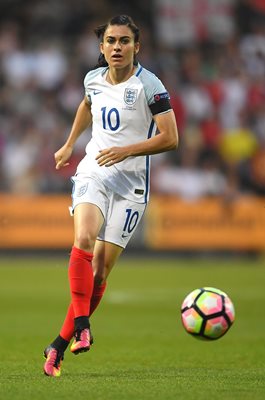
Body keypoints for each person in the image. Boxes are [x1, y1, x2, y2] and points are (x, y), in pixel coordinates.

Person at [43, 14, 178, 377]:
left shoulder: (150, 85)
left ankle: (57, 344)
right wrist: (70, 143)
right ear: (101, 47)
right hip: (95, 170)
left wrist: (128, 151)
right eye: (111, 41)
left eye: (124, 41)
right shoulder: (92, 79)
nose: (117, 47)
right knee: (84, 238)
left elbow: (170, 138)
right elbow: (87, 105)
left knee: (100, 273)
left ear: (137, 46)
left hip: (132, 184)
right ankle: (83, 325)